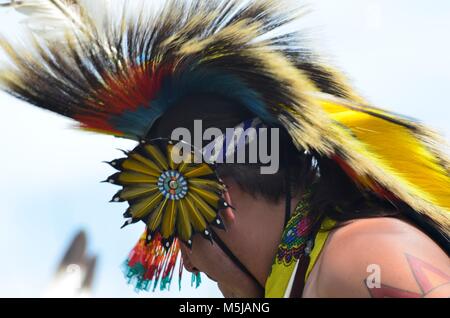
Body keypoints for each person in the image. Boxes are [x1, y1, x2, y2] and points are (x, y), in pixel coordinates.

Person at [0, 0, 448, 298]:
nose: (190, 260)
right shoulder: (309, 273)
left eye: (178, 231)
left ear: (220, 198)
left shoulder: (362, 255)